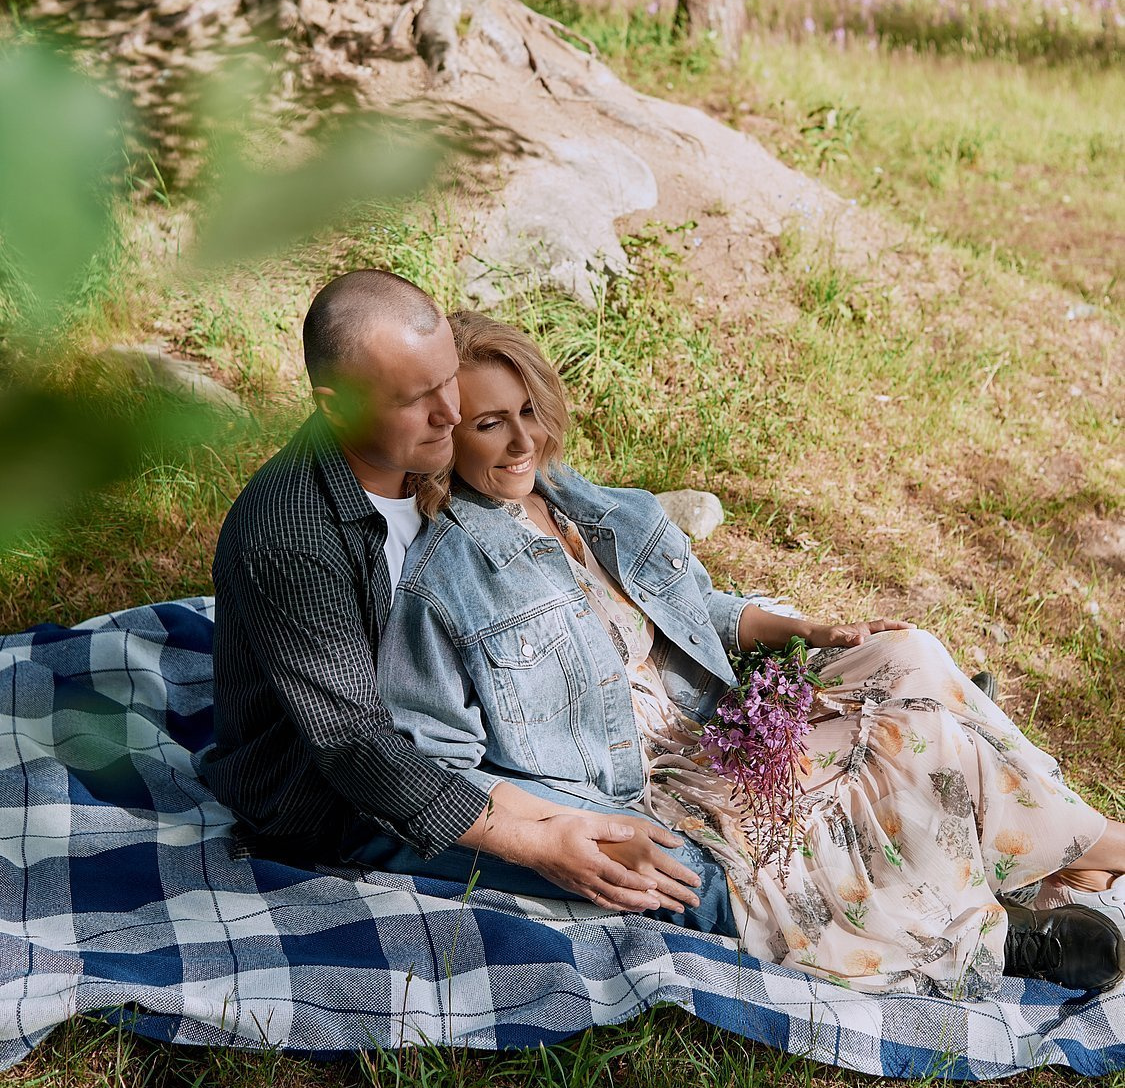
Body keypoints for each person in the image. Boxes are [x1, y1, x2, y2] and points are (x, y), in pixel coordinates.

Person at [377, 309, 1125, 997]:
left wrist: (814, 632)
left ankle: (1049, 840)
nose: (523, 442)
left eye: (528, 412)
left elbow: (696, 609)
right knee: (911, 740)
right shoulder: (445, 582)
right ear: (447, 436)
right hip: (655, 776)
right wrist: (559, 835)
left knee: (907, 651)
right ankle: (1033, 894)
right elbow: (439, 764)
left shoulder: (586, 504)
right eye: (490, 425)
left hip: (720, 715)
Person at [201, 269, 706, 919]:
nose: (451, 412)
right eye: (418, 397)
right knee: (681, 870)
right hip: (345, 796)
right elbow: (356, 750)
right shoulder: (291, 539)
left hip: (467, 742)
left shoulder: (425, 456)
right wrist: (539, 841)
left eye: (448, 381)